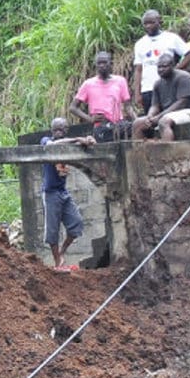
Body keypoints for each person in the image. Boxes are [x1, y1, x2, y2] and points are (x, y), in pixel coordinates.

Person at [39, 118, 96, 272]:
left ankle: (62, 253)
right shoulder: (46, 140)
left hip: (63, 192)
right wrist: (78, 139)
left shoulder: (69, 145)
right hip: (50, 192)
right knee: (53, 230)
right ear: (51, 130)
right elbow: (51, 146)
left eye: (62, 128)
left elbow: (84, 145)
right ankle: (58, 261)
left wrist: (88, 140)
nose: (58, 131)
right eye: (56, 128)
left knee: (76, 223)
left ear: (66, 130)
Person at [132, 51, 190, 141]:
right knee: (138, 123)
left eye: (164, 66)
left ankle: (168, 151)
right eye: (159, 67)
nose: (161, 69)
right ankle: (139, 152)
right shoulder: (158, 83)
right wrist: (150, 116)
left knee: (163, 121)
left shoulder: (183, 77)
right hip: (167, 114)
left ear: (172, 66)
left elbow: (182, 102)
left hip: (188, 112)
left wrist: (159, 116)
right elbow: (155, 105)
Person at [132, 10, 189, 113]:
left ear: (160, 22)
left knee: (169, 117)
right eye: (145, 23)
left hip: (168, 87)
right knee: (150, 121)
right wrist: (137, 93)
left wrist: (175, 71)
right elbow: (138, 70)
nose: (148, 26)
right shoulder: (140, 44)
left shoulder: (171, 38)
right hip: (148, 89)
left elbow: (189, 55)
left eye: (151, 22)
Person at [70, 51, 133, 141]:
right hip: (101, 127)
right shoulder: (88, 84)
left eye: (104, 62)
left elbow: (128, 107)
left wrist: (136, 120)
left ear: (110, 63)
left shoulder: (120, 81)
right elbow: (73, 107)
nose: (102, 65)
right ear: (96, 65)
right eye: (99, 63)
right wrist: (90, 119)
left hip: (119, 125)